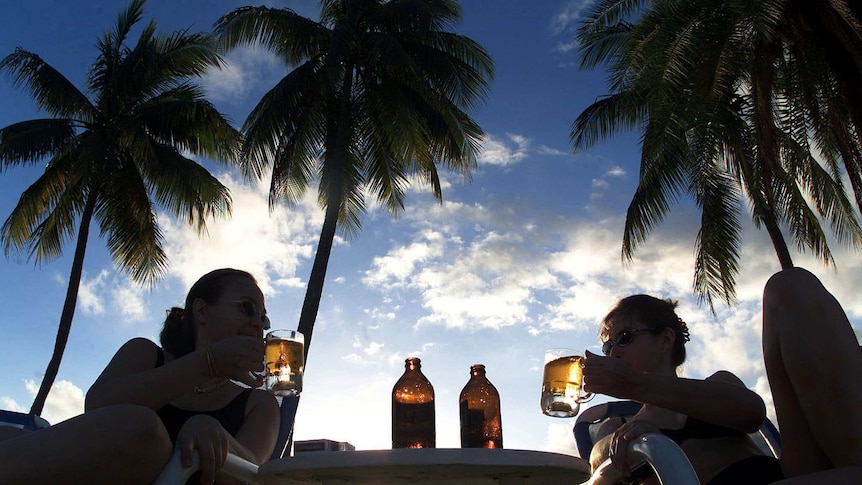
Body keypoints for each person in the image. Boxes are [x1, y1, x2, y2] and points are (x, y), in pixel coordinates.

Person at [0, 268, 279, 484]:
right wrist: (207, 365)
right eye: (248, 308)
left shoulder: (259, 403)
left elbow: (252, 475)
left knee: (142, 430)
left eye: (263, 318)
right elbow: (98, 409)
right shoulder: (144, 355)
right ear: (202, 310)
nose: (258, 324)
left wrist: (216, 434)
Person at [582, 294, 782, 484]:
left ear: (666, 339)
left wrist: (635, 383)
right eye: (608, 348)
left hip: (773, 477)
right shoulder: (618, 426)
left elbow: (752, 413)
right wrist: (638, 442)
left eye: (624, 338)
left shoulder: (718, 384)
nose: (614, 353)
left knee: (786, 289)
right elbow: (598, 462)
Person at [761, 267, 862, 483]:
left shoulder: (712, 388)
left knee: (790, 285)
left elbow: (750, 411)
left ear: (667, 339)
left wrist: (667, 390)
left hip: (799, 468)